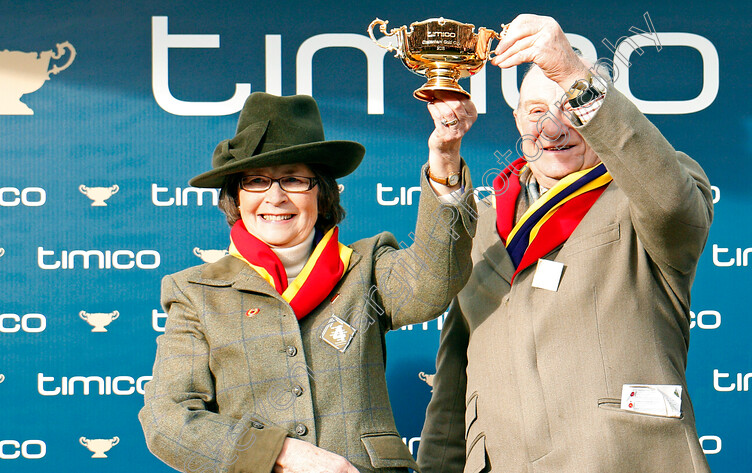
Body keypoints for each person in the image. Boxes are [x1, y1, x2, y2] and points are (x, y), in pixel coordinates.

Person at [418, 14, 712, 473]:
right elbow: (455, 371)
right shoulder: (486, 221)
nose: (552, 130)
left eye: (571, 109)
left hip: (620, 458)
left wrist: (570, 72)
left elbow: (673, 207)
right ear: (516, 118)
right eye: (536, 111)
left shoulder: (643, 192)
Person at [139, 91, 478, 473]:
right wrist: (280, 452)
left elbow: (433, 283)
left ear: (322, 191)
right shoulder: (196, 292)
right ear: (236, 195)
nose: (275, 196)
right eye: (256, 181)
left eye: (293, 180)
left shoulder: (366, 267)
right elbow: (166, 420)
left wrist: (445, 158)